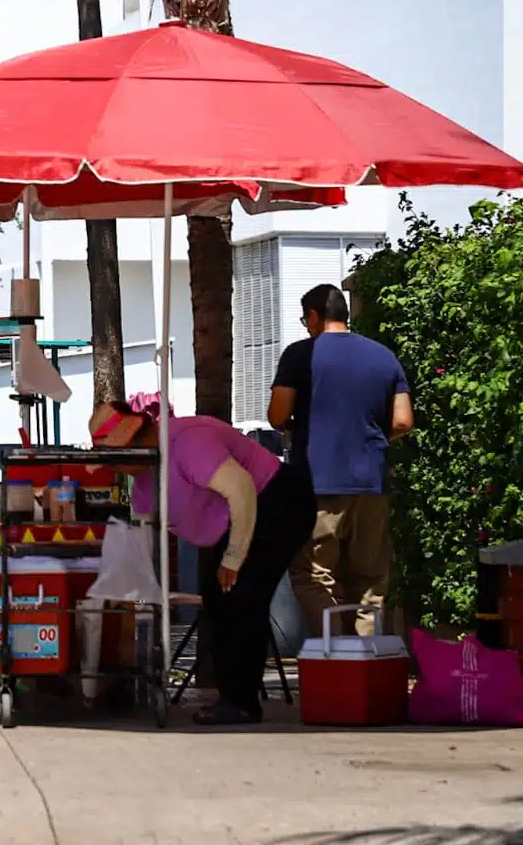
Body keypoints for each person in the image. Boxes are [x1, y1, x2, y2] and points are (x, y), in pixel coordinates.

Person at [91, 400, 315, 726]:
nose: (117, 469)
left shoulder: (188, 441)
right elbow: (144, 532)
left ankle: (240, 702)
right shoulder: (144, 478)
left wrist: (234, 558)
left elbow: (241, 490)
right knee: (219, 596)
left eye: (117, 459)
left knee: (238, 596)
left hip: (276, 498)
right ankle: (236, 698)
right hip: (236, 519)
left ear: (137, 441)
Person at [269, 283, 414, 638]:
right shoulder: (383, 356)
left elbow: (277, 415)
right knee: (369, 576)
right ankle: (365, 660)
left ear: (315, 316)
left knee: (313, 573)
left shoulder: (301, 354)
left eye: (306, 319)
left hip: (320, 482)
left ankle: (334, 655)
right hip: (371, 481)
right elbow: (403, 421)